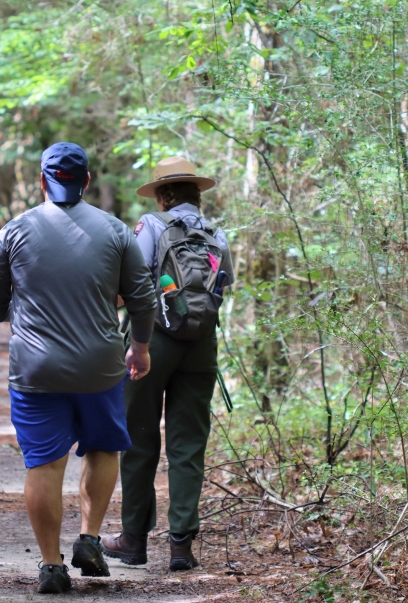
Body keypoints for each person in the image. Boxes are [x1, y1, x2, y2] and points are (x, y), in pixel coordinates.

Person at [0, 142, 157, 594]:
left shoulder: (15, 231)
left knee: (44, 464)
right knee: (103, 449)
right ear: (87, 181)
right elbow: (143, 299)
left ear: (42, 181)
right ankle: (90, 537)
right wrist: (140, 348)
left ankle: (52, 565)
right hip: (101, 366)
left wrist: (20, 305)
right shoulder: (117, 232)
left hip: (37, 371)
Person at [102, 156, 233, 571]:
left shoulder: (150, 226)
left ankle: (134, 541)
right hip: (202, 346)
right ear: (197, 193)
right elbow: (223, 287)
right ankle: (181, 546)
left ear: (162, 194)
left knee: (139, 437)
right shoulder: (218, 234)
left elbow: (133, 283)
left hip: (152, 340)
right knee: (188, 445)